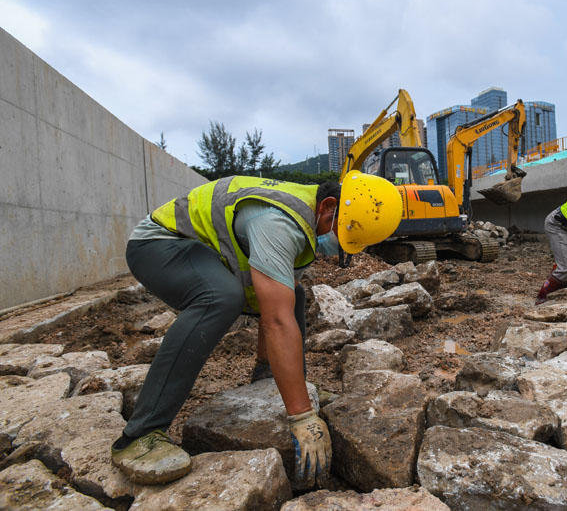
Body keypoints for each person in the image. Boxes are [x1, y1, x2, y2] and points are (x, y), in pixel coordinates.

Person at [110, 171, 402, 486]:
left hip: (205, 253)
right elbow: (276, 321)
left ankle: (270, 378)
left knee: (292, 293)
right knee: (219, 297)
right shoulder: (278, 223)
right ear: (328, 206)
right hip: (159, 245)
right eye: (340, 234)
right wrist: (303, 417)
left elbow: (279, 300)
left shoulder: (304, 212)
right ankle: (140, 434)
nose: (333, 247)